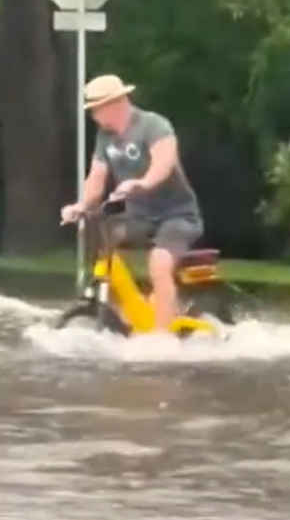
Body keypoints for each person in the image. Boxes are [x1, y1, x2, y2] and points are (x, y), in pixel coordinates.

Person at [59, 74, 204, 332]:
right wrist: (81, 205)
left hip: (176, 214)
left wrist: (143, 183)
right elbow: (97, 176)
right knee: (107, 242)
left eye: (95, 109)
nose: (93, 115)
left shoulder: (153, 125)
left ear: (113, 103)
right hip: (140, 216)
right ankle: (134, 311)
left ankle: (162, 337)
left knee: (159, 262)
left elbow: (165, 161)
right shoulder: (105, 138)